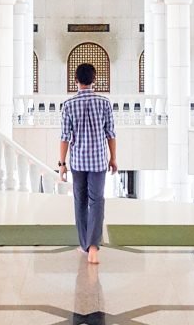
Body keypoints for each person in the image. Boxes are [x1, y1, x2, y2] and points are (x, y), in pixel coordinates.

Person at [59, 62, 117, 264]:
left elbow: (65, 137)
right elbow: (110, 134)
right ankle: (93, 247)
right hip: (99, 162)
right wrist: (113, 158)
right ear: (94, 80)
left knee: (80, 202)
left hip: (78, 162)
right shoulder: (105, 103)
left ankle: (85, 244)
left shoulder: (68, 105)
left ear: (76, 80)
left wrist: (62, 164)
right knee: (97, 201)